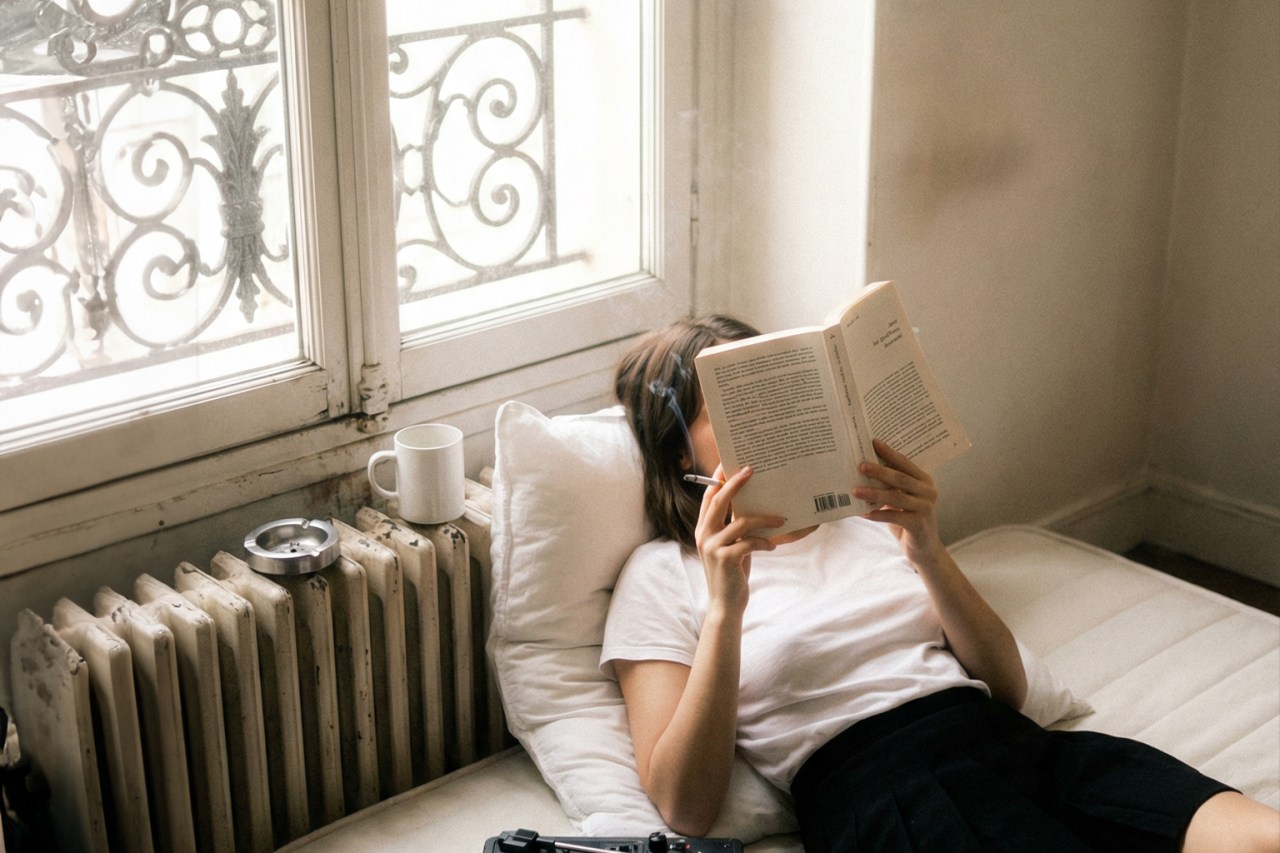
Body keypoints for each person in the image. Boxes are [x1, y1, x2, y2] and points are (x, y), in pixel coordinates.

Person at [601, 315, 1280, 853]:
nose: (770, 419)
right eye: (733, 404)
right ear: (677, 448)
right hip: (887, 797)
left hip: (1015, 745)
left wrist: (925, 545)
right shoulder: (663, 574)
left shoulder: (865, 519)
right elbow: (685, 806)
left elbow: (1009, 688)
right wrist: (726, 611)